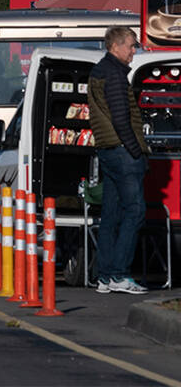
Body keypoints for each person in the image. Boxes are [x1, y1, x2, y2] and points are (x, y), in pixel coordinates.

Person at [89, 26, 149, 294]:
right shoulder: (114, 75)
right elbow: (121, 119)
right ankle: (119, 274)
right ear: (116, 46)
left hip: (107, 149)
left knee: (111, 214)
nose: (134, 50)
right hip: (122, 150)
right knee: (135, 211)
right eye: (131, 45)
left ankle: (104, 276)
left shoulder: (101, 70)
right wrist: (136, 151)